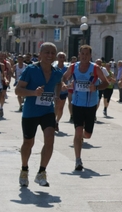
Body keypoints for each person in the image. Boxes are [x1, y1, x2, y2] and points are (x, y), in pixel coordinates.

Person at [15, 42, 64, 186]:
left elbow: (59, 83)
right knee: (28, 142)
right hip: (30, 111)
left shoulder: (57, 73)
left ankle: (42, 173)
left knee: (50, 138)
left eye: (52, 53)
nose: (50, 55)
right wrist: (33, 93)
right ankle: (24, 169)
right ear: (40, 54)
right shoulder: (30, 70)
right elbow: (18, 90)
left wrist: (56, 94)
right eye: (47, 52)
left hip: (47, 111)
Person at [62, 45, 109, 171]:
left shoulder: (95, 68)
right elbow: (64, 78)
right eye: (82, 54)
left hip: (90, 105)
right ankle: (78, 160)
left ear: (90, 56)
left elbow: (106, 83)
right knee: (78, 132)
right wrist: (64, 85)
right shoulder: (73, 67)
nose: (84, 56)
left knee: (87, 135)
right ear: (79, 54)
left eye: (86, 54)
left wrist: (97, 88)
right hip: (77, 104)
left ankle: (82, 136)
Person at [53, 52, 69, 132]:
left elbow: (69, 78)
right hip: (55, 90)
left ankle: (57, 121)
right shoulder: (54, 68)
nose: (61, 58)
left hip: (63, 90)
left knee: (61, 107)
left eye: (63, 57)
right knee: (56, 106)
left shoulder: (67, 69)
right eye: (60, 57)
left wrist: (65, 85)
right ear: (57, 58)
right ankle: (53, 121)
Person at [0, 52, 12, 119]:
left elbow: (10, 72)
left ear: (4, 57)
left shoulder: (7, 63)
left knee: (2, 95)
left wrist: (8, 79)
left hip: (4, 81)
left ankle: (1, 108)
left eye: (2, 56)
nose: (0, 57)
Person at [67, 56, 78, 123]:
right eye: (73, 60)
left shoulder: (78, 67)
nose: (74, 62)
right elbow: (67, 77)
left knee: (76, 101)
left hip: (77, 87)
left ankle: (76, 114)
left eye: (75, 60)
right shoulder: (69, 67)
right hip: (70, 86)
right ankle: (71, 115)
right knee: (70, 101)